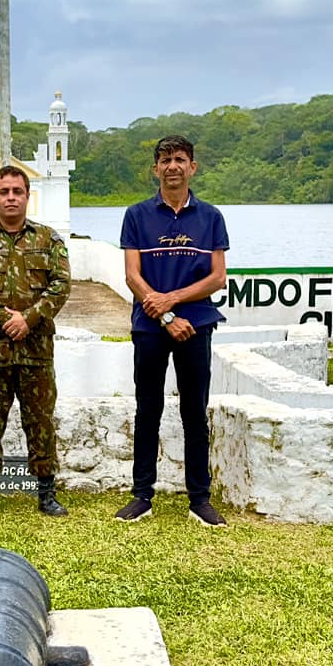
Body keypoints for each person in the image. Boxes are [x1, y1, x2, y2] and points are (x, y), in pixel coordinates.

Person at [117, 134, 230, 527]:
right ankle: (141, 495)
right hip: (150, 327)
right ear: (155, 169)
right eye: (165, 160)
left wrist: (174, 300)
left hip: (197, 326)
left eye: (180, 159)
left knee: (194, 412)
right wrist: (164, 314)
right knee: (148, 409)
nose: (172, 166)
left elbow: (217, 278)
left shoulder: (211, 218)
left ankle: (199, 498)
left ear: (193, 167)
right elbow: (133, 276)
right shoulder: (136, 215)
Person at [0, 163, 72, 517]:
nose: (11, 198)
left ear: (27, 196)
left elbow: (61, 285)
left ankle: (46, 492)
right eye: (4, 192)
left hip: (36, 348)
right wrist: (6, 318)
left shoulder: (49, 239)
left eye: (17, 192)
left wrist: (30, 318)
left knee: (40, 421)